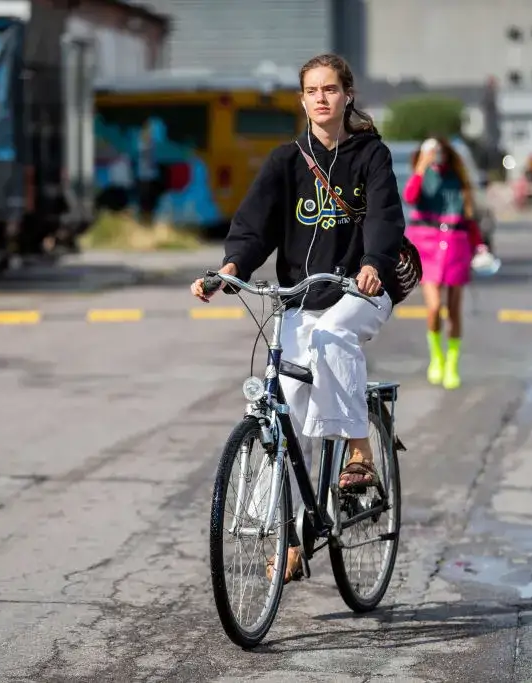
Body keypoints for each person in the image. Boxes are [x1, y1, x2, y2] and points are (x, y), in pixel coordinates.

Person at [189, 53, 405, 583]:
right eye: (312, 90)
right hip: (300, 297)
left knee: (334, 334)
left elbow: (383, 216)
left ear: (347, 95)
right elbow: (254, 224)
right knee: (280, 414)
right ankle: (287, 534)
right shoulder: (286, 161)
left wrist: (374, 263)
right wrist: (229, 269)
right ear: (302, 99)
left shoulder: (370, 155)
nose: (322, 99)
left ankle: (358, 451)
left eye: (331, 89)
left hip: (360, 289)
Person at [402, 137, 488, 390]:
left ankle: (452, 363)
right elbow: (409, 196)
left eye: (438, 151)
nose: (435, 155)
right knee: (434, 307)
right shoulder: (421, 175)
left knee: (453, 310)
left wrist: (479, 245)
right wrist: (420, 167)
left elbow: (469, 216)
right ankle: (436, 357)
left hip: (455, 242)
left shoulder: (457, 178)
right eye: (431, 151)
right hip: (426, 243)